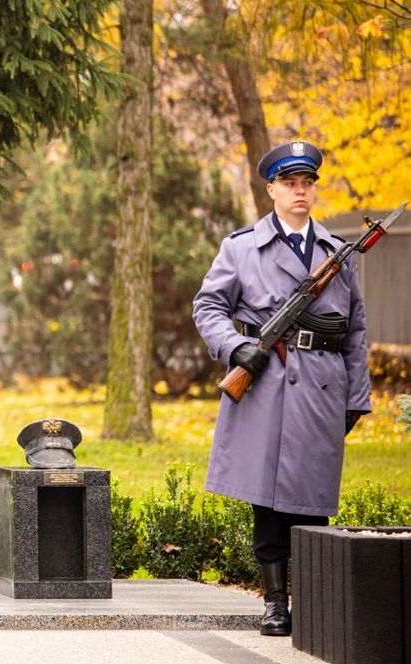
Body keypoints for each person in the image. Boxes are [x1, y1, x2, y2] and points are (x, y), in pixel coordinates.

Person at [192, 140, 370, 637]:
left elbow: (356, 330)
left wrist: (357, 397)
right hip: (265, 385)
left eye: (307, 183)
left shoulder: (338, 252)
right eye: (289, 183)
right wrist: (233, 348)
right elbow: (207, 307)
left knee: (310, 499)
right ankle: (274, 603)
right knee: (267, 501)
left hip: (320, 388)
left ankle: (312, 600)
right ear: (270, 188)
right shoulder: (241, 247)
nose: (300, 191)